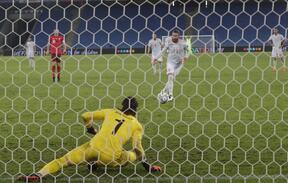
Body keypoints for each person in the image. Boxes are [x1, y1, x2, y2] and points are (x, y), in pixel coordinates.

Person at [18, 97, 161, 182]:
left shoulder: (110, 112)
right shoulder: (136, 124)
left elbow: (85, 115)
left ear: (122, 106)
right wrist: (147, 165)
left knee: (62, 161)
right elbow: (138, 147)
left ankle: (38, 174)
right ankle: (98, 162)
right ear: (136, 110)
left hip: (92, 148)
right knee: (131, 154)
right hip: (110, 157)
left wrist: (90, 129)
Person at [154, 29, 189, 102]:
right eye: (173, 35)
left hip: (179, 64)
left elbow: (188, 50)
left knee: (172, 79)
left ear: (178, 36)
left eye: (176, 36)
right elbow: (163, 50)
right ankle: (170, 95)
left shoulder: (183, 43)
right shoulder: (168, 40)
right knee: (170, 76)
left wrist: (186, 56)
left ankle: (163, 91)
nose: (174, 37)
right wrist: (156, 58)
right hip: (170, 62)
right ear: (171, 35)